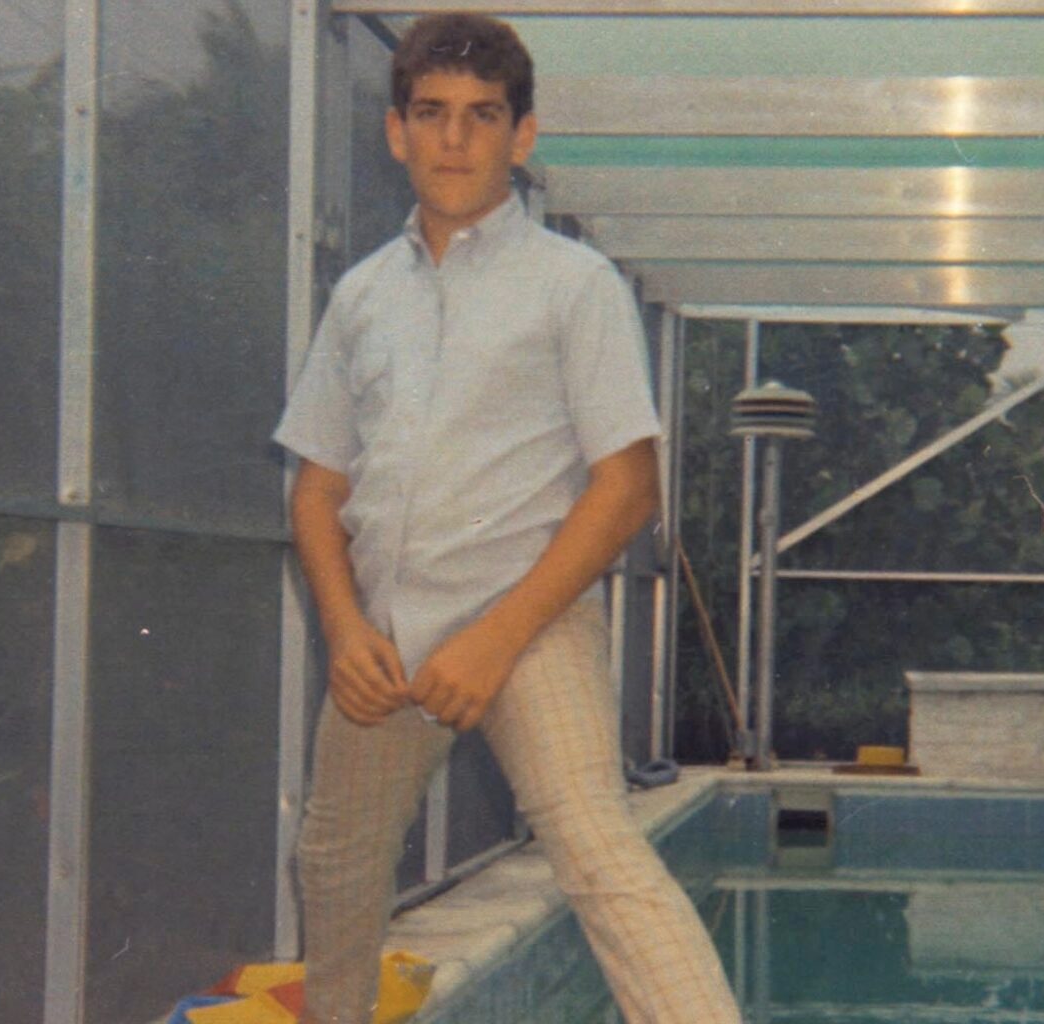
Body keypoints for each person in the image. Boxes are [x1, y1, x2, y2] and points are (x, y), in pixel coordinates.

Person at [271, 13, 742, 1024]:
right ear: (396, 130)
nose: (454, 139)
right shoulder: (360, 298)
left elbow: (627, 485)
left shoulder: (575, 285)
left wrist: (497, 637)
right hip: (387, 641)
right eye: (431, 115)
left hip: (529, 624)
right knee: (334, 865)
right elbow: (316, 487)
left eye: (482, 117)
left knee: (597, 849)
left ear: (521, 137)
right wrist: (347, 629)